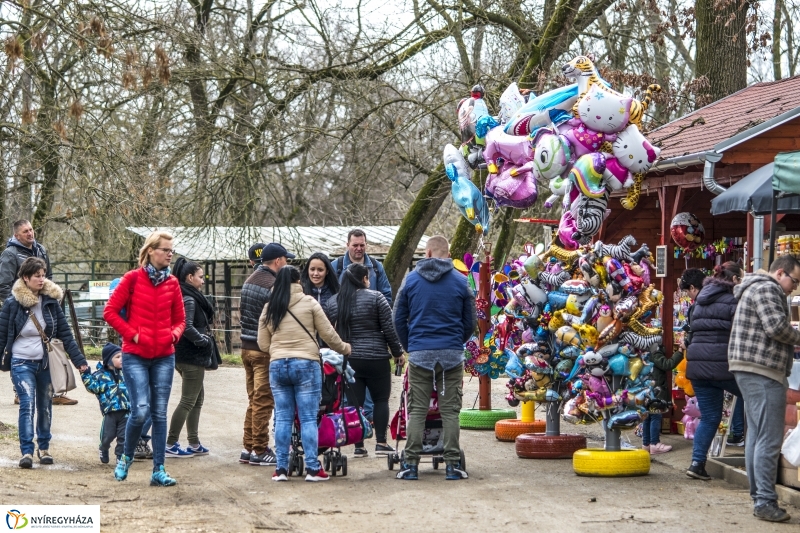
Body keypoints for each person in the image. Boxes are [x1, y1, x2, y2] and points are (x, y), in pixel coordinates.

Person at [103, 231, 186, 487]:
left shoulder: (172, 283)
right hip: (135, 355)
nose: (170, 254)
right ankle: (126, 456)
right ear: (151, 250)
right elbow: (110, 312)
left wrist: (174, 335)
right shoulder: (131, 279)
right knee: (139, 411)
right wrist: (133, 335)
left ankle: (158, 469)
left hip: (164, 356)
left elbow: (181, 320)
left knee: (159, 413)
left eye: (172, 250)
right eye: (165, 249)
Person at [257, 266, 351, 482]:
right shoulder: (309, 303)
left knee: (282, 417)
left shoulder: (270, 307)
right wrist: (345, 348)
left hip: (278, 365)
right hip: (306, 364)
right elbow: (328, 334)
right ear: (298, 280)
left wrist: (279, 351)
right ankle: (312, 468)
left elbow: (263, 343)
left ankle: (281, 469)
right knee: (308, 418)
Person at [393, 235, 475, 480]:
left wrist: (411, 346)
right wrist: (456, 342)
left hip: (420, 353)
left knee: (417, 409)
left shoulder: (410, 280)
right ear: (447, 255)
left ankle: (410, 465)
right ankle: (452, 465)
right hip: (451, 353)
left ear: (427, 253)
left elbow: (398, 318)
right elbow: (470, 321)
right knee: (450, 410)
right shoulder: (461, 282)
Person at [728, 255, 800, 523]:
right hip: (763, 369)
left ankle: (759, 495)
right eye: (794, 280)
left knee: (757, 435)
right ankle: (765, 501)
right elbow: (776, 327)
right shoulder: (768, 288)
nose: (794, 287)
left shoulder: (754, 286)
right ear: (780, 273)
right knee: (769, 438)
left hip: (749, 368)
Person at [0, 257, 89, 468]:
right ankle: (27, 452)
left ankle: (44, 448)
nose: (41, 279)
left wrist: (80, 362)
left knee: (45, 406)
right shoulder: (13, 304)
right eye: (37, 276)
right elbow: (2, 335)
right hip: (21, 363)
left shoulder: (51, 302)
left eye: (43, 275)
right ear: (25, 278)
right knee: (27, 405)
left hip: (46, 363)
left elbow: (66, 334)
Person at [324, 263, 404, 458]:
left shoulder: (334, 302)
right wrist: (397, 352)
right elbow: (389, 329)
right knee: (380, 400)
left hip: (350, 360)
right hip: (377, 358)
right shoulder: (377, 298)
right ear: (364, 279)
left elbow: (327, 332)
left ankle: (358, 445)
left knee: (354, 404)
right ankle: (381, 442)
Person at [0, 220, 76, 406]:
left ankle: (54, 387)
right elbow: (3, 284)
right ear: (16, 235)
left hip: (43, 305)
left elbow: (47, 276)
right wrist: (17, 304)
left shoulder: (40, 249)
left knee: (50, 345)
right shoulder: (10, 254)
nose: (30, 233)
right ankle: (20, 390)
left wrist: (49, 297)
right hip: (20, 308)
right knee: (20, 346)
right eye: (25, 231)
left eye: (31, 229)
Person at [684, 262, 746, 480]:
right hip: (724, 365)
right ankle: (752, 454)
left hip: (699, 366)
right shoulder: (735, 300)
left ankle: (697, 463)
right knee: (753, 398)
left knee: (710, 417)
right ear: (735, 280)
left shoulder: (699, 302)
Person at [239, 242, 294, 466]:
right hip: (262, 350)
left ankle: (248, 447)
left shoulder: (249, 281)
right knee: (263, 401)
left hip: (245, 348)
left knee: (254, 400)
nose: (287, 264)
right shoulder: (273, 285)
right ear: (278, 261)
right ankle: (260, 450)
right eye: (286, 260)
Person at [330, 229, 392, 421]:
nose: (359, 249)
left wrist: (380, 315)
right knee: (352, 378)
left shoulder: (376, 267)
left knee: (368, 379)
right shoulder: (336, 266)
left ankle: (369, 418)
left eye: (362, 245)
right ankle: (356, 421)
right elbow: (332, 297)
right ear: (347, 245)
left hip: (371, 326)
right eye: (355, 245)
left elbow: (387, 294)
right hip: (346, 329)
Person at [165, 257, 215, 458]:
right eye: (200, 277)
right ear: (190, 277)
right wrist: (202, 341)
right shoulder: (189, 298)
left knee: (197, 398)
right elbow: (186, 326)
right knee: (188, 400)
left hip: (188, 355)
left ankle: (193, 442)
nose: (203, 281)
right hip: (190, 355)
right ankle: (170, 443)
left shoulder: (186, 295)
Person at [82, 343, 130, 464]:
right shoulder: (100, 376)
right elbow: (93, 388)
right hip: (110, 411)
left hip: (125, 410)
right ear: (109, 360)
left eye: (123, 356)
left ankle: (120, 456)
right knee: (107, 436)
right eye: (118, 357)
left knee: (123, 436)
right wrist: (86, 374)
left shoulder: (126, 373)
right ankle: (104, 447)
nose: (122, 359)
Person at [643, 344, 683, 454]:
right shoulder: (655, 352)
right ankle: (654, 443)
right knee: (655, 416)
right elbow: (667, 364)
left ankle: (646, 444)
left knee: (647, 417)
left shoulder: (644, 351)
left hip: (647, 389)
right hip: (656, 390)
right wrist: (679, 351)